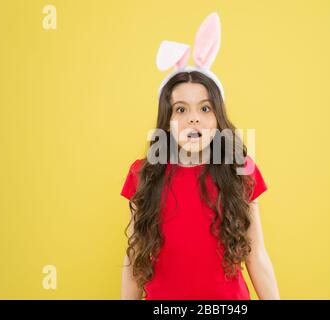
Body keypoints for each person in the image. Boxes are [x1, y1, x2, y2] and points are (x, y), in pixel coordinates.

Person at [120, 12, 280, 300]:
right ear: (166, 119)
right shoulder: (142, 173)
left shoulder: (239, 169)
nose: (193, 119)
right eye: (181, 109)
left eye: (204, 109)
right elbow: (133, 260)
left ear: (218, 118)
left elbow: (257, 256)